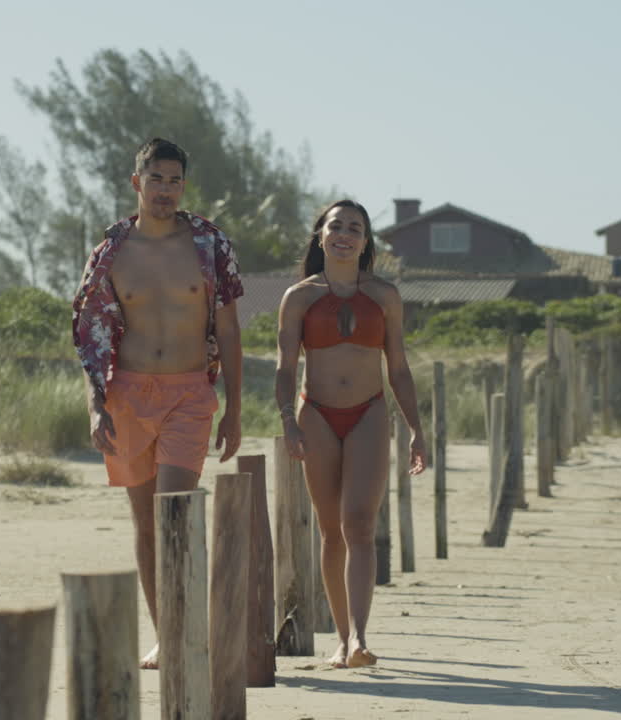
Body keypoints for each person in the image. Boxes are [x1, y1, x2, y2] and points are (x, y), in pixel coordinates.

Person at [72, 137, 244, 670]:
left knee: (176, 516)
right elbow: (90, 334)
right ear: (136, 183)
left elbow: (230, 330)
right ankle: (167, 635)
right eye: (156, 179)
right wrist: (96, 406)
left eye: (175, 180)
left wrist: (235, 408)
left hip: (189, 394)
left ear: (183, 185)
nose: (166, 190)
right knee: (146, 525)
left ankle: (191, 625)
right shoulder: (111, 252)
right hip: (126, 395)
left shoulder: (209, 245)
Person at [274, 199, 426, 669]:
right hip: (316, 414)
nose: (344, 233)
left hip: (369, 413)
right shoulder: (298, 297)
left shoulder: (385, 296)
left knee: (359, 522)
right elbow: (285, 368)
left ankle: (359, 637)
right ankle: (341, 639)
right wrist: (288, 421)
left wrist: (418, 429)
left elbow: (398, 369)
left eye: (355, 228)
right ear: (320, 235)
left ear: (365, 242)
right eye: (335, 225)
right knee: (330, 530)